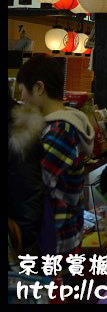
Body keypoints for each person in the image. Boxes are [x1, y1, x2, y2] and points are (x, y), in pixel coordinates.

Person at [16, 54, 95, 254]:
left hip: (57, 240)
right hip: (59, 235)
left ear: (39, 88)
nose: (21, 99)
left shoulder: (61, 130)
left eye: (22, 91)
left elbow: (36, 182)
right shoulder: (57, 125)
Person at [8, 89, 44, 260]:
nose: (21, 95)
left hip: (17, 245)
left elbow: (27, 195)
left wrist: (24, 248)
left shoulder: (20, 130)